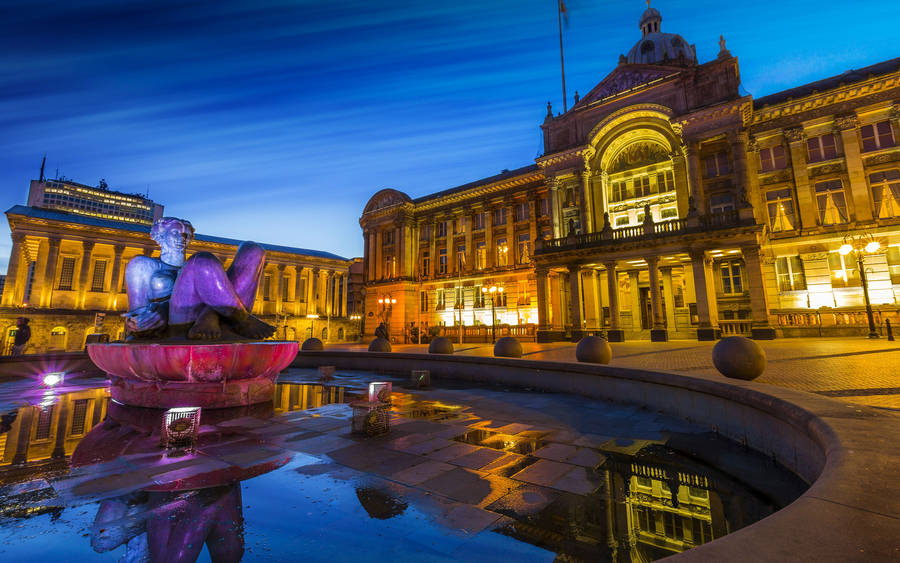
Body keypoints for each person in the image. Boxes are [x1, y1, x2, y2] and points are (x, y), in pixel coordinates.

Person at [123, 217, 274, 340]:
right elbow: (136, 316)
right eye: (175, 233)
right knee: (202, 260)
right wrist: (161, 311)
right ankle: (242, 319)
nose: (182, 238)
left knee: (253, 250)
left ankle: (210, 315)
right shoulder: (143, 265)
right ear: (160, 236)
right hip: (180, 320)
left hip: (216, 317)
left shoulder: (192, 269)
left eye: (186, 234)